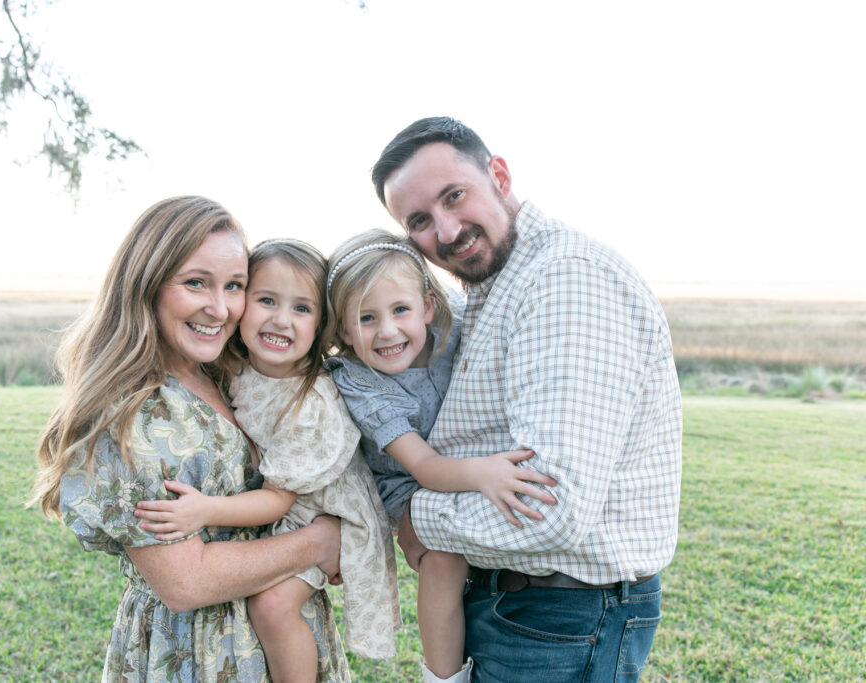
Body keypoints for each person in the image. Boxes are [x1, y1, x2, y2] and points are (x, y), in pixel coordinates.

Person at [371, 117, 684, 682]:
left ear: (500, 174)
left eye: (454, 196)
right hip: (522, 608)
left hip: (564, 617)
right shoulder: (496, 287)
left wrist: (418, 517)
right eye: (419, 220)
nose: (445, 230)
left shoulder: (564, 280)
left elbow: (550, 508)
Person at [30, 197, 350, 682]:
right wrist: (320, 542)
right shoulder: (131, 413)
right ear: (147, 284)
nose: (219, 308)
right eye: (196, 282)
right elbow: (186, 581)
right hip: (197, 652)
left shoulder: (228, 373)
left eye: (235, 286)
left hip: (282, 628)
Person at [133, 239, 401, 681]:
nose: (281, 319)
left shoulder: (309, 404)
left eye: (302, 308)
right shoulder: (232, 365)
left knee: (273, 606)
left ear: (322, 325)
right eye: (266, 300)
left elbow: (278, 500)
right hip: (289, 509)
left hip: (325, 512)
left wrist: (205, 508)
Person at [322, 229, 558, 683]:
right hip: (407, 483)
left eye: (400, 310)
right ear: (344, 333)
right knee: (444, 561)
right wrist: (482, 473)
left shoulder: (455, 337)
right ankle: (443, 676)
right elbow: (424, 466)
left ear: (427, 307)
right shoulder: (358, 381)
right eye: (366, 318)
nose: (387, 331)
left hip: (465, 458)